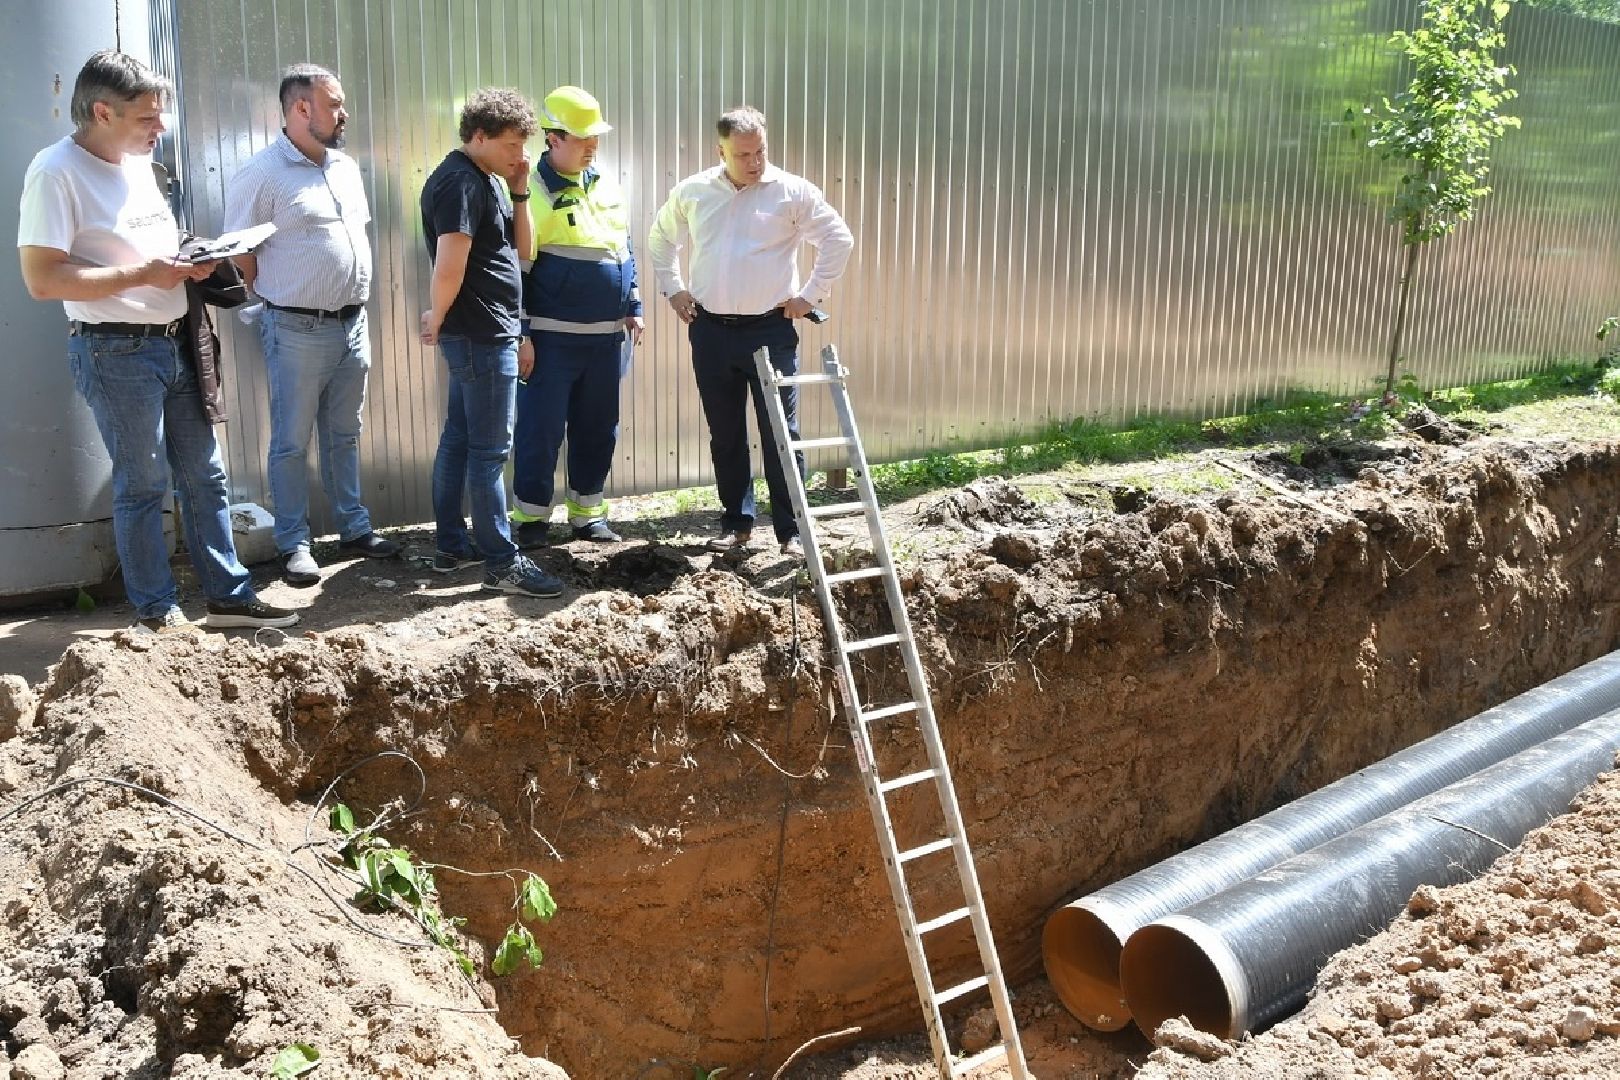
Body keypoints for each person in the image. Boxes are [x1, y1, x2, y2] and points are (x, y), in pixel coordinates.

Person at [17, 49, 298, 631]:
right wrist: (147, 274)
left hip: (177, 341)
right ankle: (157, 612)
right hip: (114, 349)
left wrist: (191, 262)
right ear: (101, 112)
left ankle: (227, 597)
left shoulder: (137, 159)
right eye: (147, 118)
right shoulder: (54, 170)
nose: (161, 128)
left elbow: (148, 247)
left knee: (205, 474)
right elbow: (42, 280)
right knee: (143, 483)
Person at [646, 106, 853, 557]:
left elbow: (839, 239)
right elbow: (661, 238)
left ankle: (792, 532)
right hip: (710, 330)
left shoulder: (792, 192)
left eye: (760, 150)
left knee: (782, 431)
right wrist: (674, 289)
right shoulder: (694, 191)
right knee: (725, 433)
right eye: (743, 154)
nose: (755, 161)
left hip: (770, 330)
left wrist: (810, 296)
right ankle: (737, 524)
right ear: (721, 151)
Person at [225, 63, 400, 587]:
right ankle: (294, 544)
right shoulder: (260, 174)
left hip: (353, 325)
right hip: (297, 329)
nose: (344, 113)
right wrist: (279, 295)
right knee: (291, 443)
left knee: (345, 434)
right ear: (302, 108)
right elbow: (241, 254)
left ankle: (353, 528)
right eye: (335, 103)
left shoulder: (344, 166)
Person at [419, 88, 562, 598]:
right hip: (481, 333)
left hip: (486, 330)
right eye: (511, 146)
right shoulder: (460, 181)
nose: (521, 155)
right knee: (488, 452)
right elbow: (450, 261)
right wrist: (437, 315)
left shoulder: (490, 180)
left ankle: (452, 546)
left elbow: (522, 249)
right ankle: (501, 562)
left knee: (460, 440)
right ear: (478, 137)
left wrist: (520, 188)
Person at [508, 85, 643, 549]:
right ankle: (531, 520)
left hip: (606, 343)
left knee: (598, 431)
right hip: (551, 342)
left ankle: (587, 515)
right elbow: (518, 272)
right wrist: (522, 335)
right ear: (552, 138)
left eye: (595, 138)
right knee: (539, 433)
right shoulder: (530, 195)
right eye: (582, 138)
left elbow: (624, 249)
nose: (592, 147)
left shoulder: (607, 186)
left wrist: (635, 304)